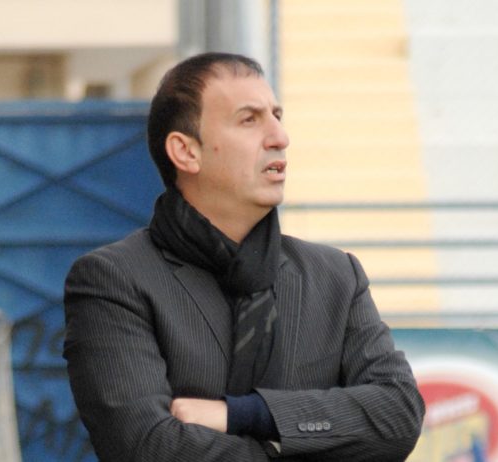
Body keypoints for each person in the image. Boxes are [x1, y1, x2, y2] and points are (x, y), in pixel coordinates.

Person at [63, 52, 424, 462]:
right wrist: (312, 445)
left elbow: (398, 415)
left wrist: (244, 414)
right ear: (186, 151)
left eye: (277, 116)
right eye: (249, 120)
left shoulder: (335, 275)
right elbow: (147, 446)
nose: (279, 137)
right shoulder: (114, 280)